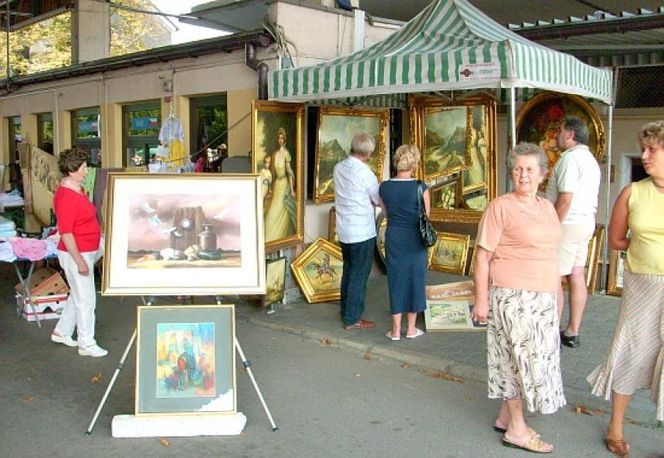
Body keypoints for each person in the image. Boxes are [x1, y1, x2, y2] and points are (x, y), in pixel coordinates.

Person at [471, 142, 564, 453]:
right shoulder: (500, 206)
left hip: (543, 297)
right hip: (512, 296)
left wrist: (557, 296)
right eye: (518, 169)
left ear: (542, 174)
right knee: (515, 362)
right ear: (511, 172)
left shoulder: (547, 208)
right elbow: (482, 257)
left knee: (530, 361)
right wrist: (481, 301)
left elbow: (552, 255)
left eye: (530, 169)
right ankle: (518, 430)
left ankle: (505, 416)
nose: (523, 175)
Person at [587, 121, 664, 457]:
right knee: (631, 349)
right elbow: (617, 240)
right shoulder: (633, 192)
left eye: (652, 150)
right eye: (643, 148)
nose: (644, 156)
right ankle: (615, 426)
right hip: (642, 286)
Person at [545, 115, 601, 348]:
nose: (556, 136)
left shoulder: (569, 160)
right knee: (576, 275)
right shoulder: (590, 159)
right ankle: (572, 331)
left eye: (559, 131)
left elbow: (565, 198)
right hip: (585, 222)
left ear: (569, 134)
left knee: (554, 277)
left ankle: (550, 331)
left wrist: (552, 227)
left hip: (567, 224)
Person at [51, 148, 107, 357]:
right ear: (72, 170)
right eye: (83, 167)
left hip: (88, 249)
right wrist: (80, 262)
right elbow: (66, 233)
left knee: (78, 294)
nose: (87, 171)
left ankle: (61, 331)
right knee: (86, 299)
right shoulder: (66, 196)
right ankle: (86, 343)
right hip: (77, 253)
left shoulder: (78, 189)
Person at [379, 144, 429, 340]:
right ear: (414, 164)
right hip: (416, 238)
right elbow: (427, 216)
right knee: (415, 279)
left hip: (395, 237)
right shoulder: (420, 187)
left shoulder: (384, 187)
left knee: (396, 279)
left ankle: (395, 330)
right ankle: (410, 329)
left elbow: (384, 213)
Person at [334, 132, 381, 330]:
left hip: (344, 228)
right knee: (359, 275)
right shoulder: (365, 173)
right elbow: (378, 199)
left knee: (348, 270)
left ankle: (346, 310)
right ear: (368, 153)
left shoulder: (338, 168)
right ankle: (353, 318)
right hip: (362, 230)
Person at [264, 127, 296, 242]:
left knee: (281, 211)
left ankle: (280, 238)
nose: (280, 140)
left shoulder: (286, 153)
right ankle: (269, 239)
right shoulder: (274, 154)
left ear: (284, 139)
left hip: (284, 184)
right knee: (271, 213)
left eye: (282, 138)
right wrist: (270, 189)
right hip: (277, 184)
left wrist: (292, 190)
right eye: (279, 138)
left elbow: (289, 172)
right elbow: (272, 173)